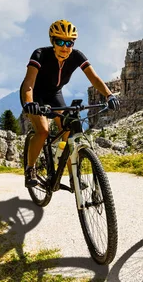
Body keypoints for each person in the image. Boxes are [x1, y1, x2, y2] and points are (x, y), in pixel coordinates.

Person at [20, 20, 120, 188]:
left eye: (69, 42)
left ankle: (74, 176)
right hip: (34, 94)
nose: (65, 47)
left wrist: (109, 95)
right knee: (43, 131)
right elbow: (28, 83)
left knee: (68, 130)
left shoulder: (76, 56)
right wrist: (29, 103)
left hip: (54, 94)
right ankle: (30, 168)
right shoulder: (39, 54)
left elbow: (94, 78)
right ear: (52, 41)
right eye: (60, 41)